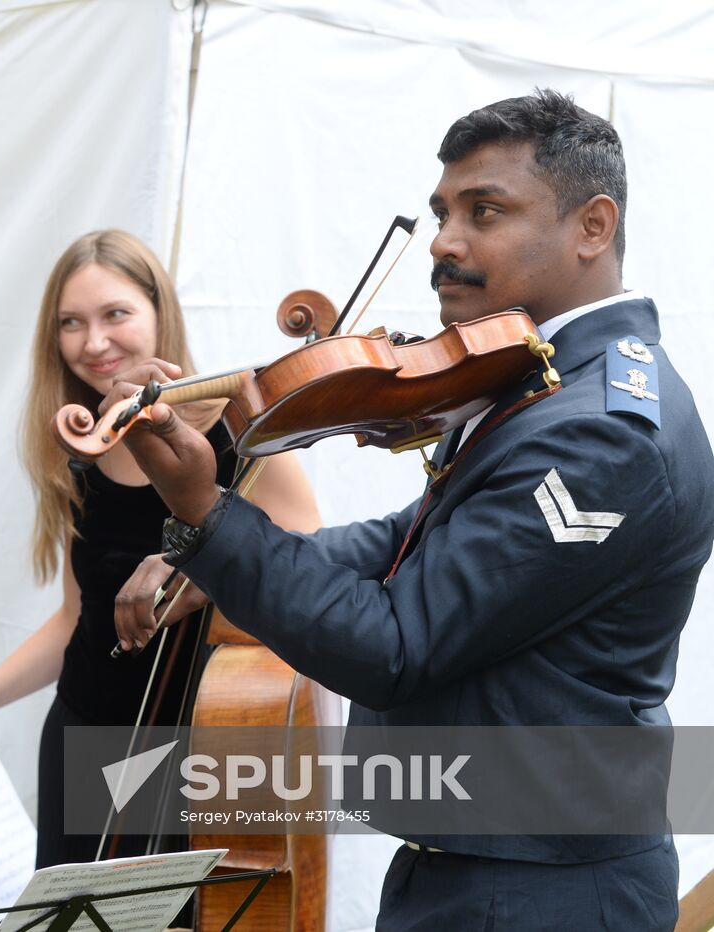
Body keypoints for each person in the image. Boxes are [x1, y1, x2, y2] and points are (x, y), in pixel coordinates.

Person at [111, 90, 714, 929]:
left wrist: (209, 515)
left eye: (485, 211)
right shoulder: (540, 380)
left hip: (540, 896)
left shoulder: (602, 432)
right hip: (480, 872)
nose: (444, 242)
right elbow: (411, 541)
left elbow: (395, 644)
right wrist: (215, 567)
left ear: (593, 226)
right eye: (441, 213)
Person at [0, 229, 321, 868]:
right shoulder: (80, 452)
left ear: (157, 311)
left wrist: (204, 566)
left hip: (211, 754)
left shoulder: (236, 427)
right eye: (71, 323)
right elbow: (75, 620)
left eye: (115, 313)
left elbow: (310, 551)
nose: (93, 343)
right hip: (86, 742)